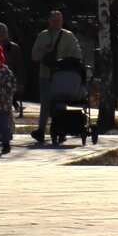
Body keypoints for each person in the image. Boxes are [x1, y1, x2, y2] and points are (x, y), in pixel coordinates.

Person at [30, 9, 82, 144]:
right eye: (54, 20)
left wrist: (67, 59)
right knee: (46, 103)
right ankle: (41, 130)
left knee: (60, 102)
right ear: (49, 21)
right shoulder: (42, 36)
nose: (57, 23)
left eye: (59, 20)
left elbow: (78, 54)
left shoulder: (68, 36)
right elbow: (34, 56)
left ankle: (61, 129)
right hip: (46, 75)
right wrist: (44, 51)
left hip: (62, 76)